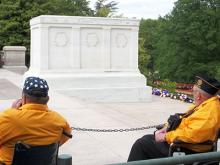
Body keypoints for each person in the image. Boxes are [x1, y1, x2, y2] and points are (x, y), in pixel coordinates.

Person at [127, 75, 220, 162]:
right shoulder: (207, 105)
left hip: (187, 149)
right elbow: (185, 120)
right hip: (184, 144)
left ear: (199, 96)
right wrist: (167, 128)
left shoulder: (209, 112)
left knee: (141, 145)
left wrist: (166, 136)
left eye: (194, 92)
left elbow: (192, 134)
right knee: (146, 139)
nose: (193, 94)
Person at [0, 77, 72, 165]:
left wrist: (12, 112)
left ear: (24, 97)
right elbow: (65, 136)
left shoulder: (9, 117)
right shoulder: (59, 121)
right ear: (47, 99)